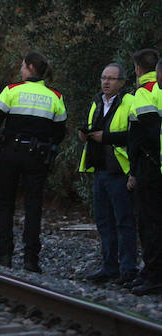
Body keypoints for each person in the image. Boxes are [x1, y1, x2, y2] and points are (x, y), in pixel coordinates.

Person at [0, 52, 67, 273]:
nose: (20, 70)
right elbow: (60, 132)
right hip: (38, 156)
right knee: (33, 207)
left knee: (5, 204)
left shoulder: (12, 91)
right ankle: (31, 260)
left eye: (22, 66)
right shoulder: (55, 96)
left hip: (11, 152)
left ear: (29, 68)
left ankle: (4, 255)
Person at [77, 62, 136, 284]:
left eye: (111, 78)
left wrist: (107, 138)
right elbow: (93, 128)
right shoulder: (96, 101)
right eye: (103, 77)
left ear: (122, 82)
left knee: (124, 221)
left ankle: (128, 269)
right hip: (100, 170)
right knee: (104, 222)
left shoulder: (130, 101)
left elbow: (134, 135)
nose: (106, 82)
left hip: (120, 171)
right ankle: (109, 267)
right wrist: (85, 135)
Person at [127, 48, 161, 295]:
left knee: (149, 222)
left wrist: (136, 168)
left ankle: (152, 274)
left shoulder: (144, 92)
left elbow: (145, 133)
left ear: (138, 70)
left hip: (150, 166)